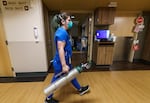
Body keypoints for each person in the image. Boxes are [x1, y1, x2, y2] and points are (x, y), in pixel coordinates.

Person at [45, 12, 90, 103]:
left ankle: (80, 89)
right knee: (56, 80)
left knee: (71, 75)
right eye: (69, 20)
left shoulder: (63, 32)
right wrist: (64, 65)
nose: (70, 22)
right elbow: (60, 48)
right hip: (61, 63)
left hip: (65, 61)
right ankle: (48, 98)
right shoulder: (62, 32)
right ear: (62, 21)